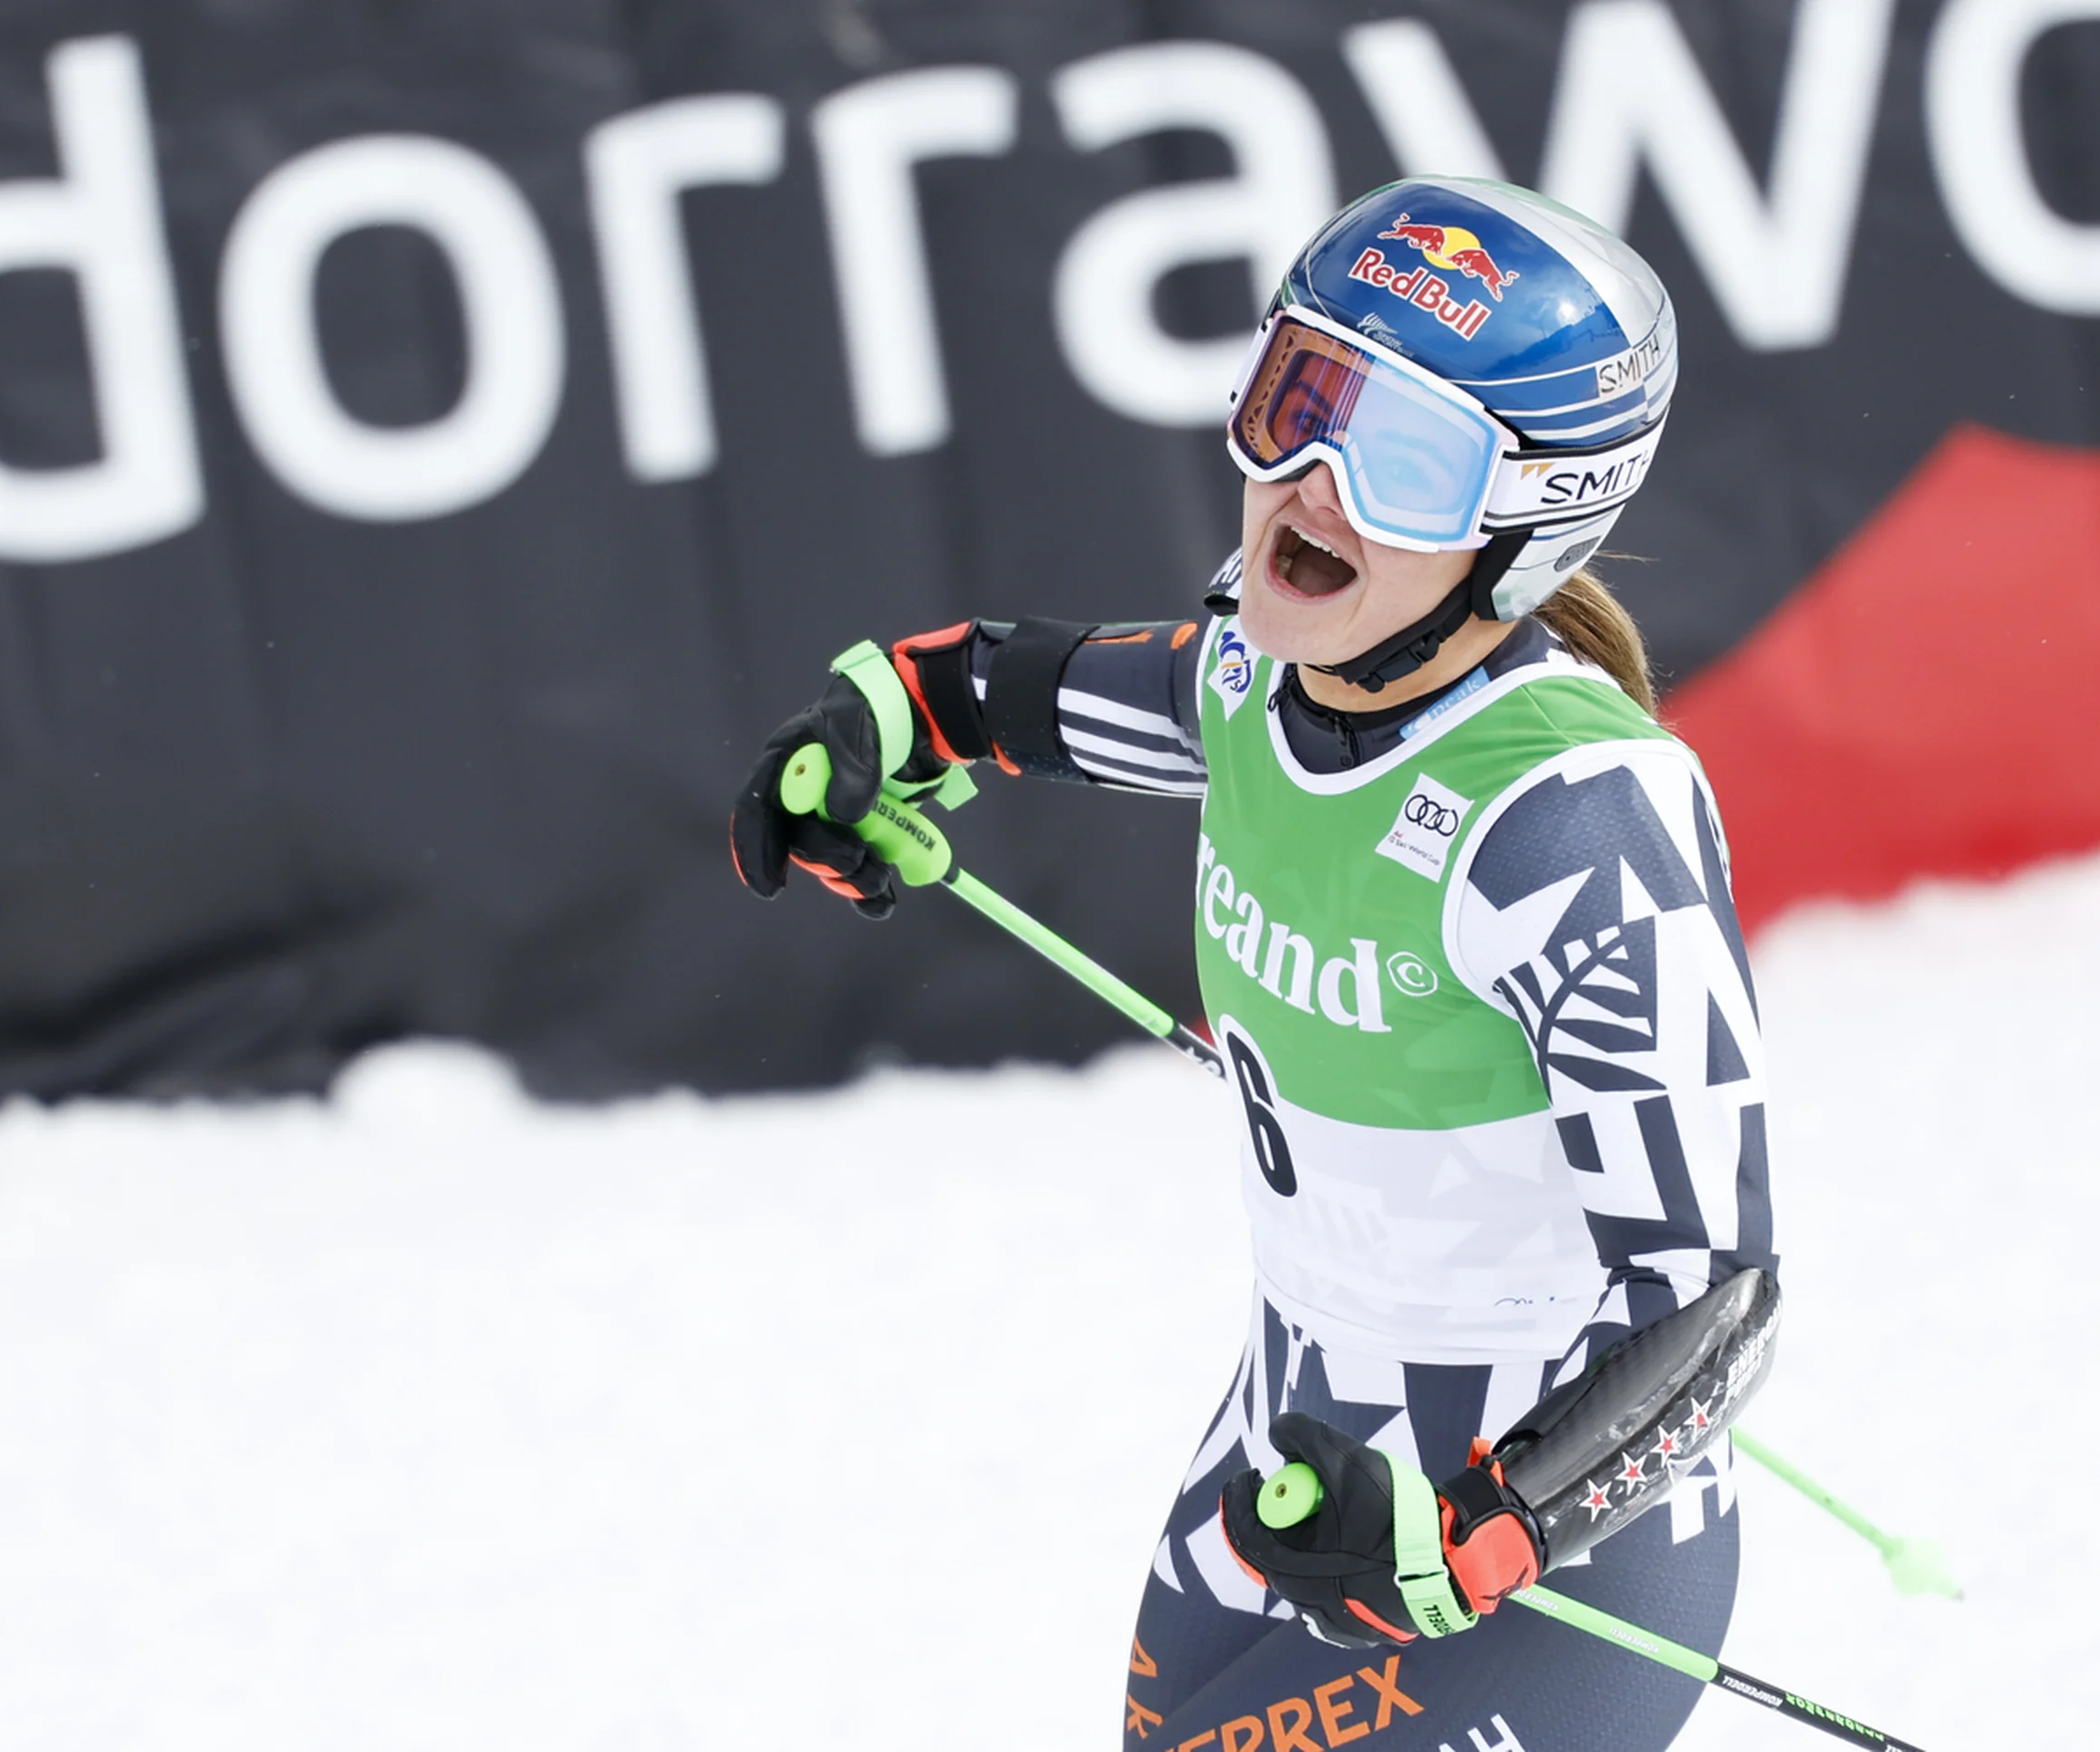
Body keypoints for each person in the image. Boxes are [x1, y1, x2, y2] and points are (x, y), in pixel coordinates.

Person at [731, 176, 1780, 1752]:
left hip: (1529, 1558)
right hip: (1287, 1458)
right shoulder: (1258, 684)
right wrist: (893, 716)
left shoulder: (1566, 819)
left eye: (1406, 464)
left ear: (1529, 525)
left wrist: (1491, 1528)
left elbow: (1718, 1299)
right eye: (1302, 395)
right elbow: (1041, 694)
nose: (1310, 486)